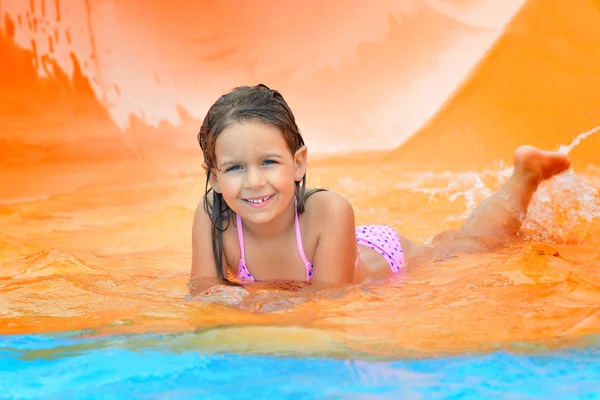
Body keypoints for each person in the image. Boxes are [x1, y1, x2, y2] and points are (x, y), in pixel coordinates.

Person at [190, 84, 571, 294]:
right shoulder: (213, 217)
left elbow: (329, 300)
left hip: (381, 256)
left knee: (469, 247)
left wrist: (250, 304)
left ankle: (526, 175)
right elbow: (204, 291)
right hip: (337, 250)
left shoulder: (329, 211)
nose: (254, 181)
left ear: (299, 164)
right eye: (235, 168)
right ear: (214, 178)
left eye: (269, 162)